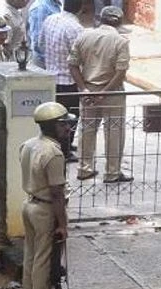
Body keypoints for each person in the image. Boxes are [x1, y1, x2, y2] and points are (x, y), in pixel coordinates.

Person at [20, 101, 75, 289]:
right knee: (43, 258)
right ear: (51, 126)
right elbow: (56, 193)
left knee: (31, 255)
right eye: (62, 125)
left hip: (29, 204)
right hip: (45, 209)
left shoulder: (28, 145)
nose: (67, 128)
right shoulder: (53, 153)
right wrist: (62, 224)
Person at [69, 6, 132, 183]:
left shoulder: (84, 36)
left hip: (88, 91)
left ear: (100, 19)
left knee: (87, 130)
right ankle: (112, 172)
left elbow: (73, 64)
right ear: (119, 22)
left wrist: (83, 89)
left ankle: (84, 168)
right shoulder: (121, 41)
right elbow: (120, 72)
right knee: (114, 132)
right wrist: (104, 93)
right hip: (112, 92)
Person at [41, 0, 83, 162]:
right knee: (69, 118)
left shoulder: (50, 19)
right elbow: (79, 57)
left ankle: (58, 145)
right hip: (68, 81)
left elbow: (40, 43)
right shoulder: (75, 28)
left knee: (54, 117)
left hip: (51, 77)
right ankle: (65, 150)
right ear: (80, 8)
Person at [27, 0, 60, 68]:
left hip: (52, 60)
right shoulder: (41, 7)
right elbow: (38, 41)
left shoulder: (55, 4)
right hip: (43, 61)